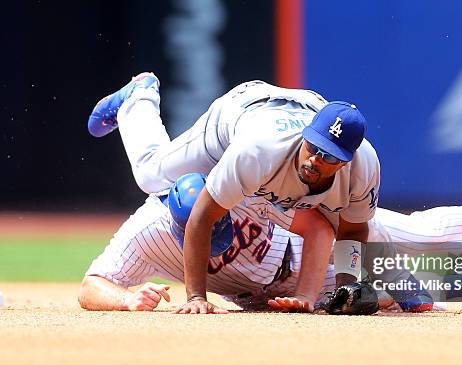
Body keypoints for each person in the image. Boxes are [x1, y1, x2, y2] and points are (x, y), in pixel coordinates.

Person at [88, 73, 381, 313]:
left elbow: (353, 229)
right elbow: (203, 215)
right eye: (313, 146)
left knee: (373, 231)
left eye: (328, 155)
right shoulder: (257, 152)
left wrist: (348, 287)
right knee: (151, 175)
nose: (316, 158)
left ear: (347, 159)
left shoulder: (364, 166)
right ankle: (139, 97)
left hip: (309, 108)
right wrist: (195, 297)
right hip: (240, 114)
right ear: (306, 135)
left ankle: (419, 276)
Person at [78, 173, 462, 313]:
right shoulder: (148, 230)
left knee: (418, 235)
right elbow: (92, 283)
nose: (221, 236)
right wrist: (125, 299)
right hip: (268, 298)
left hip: (316, 252)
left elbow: (319, 225)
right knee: (404, 299)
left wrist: (312, 293)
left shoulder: (240, 189)